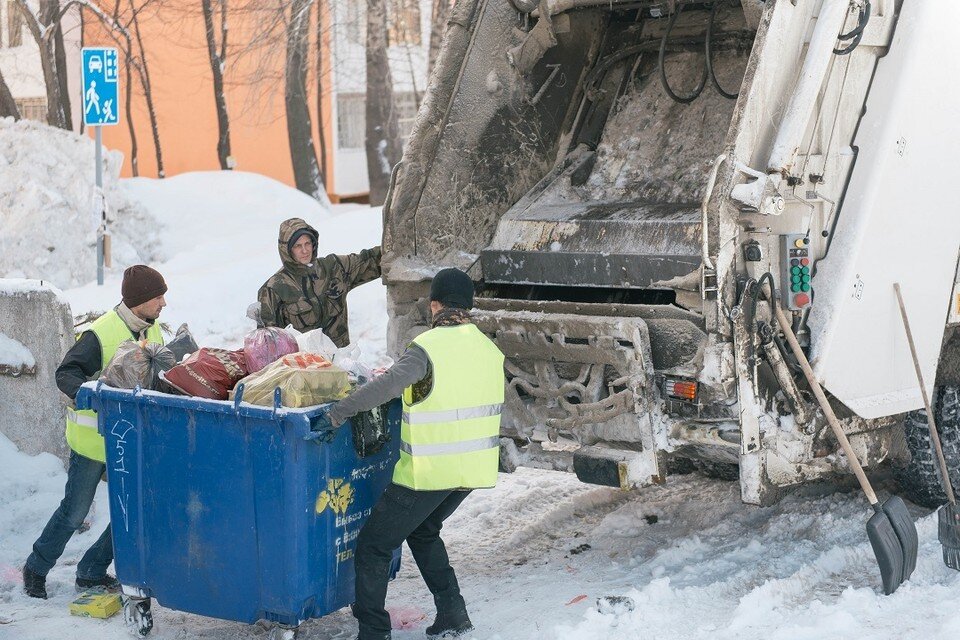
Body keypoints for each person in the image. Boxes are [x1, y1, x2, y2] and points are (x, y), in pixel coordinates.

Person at [327, 268, 505, 640]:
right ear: (469, 306)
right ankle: (453, 615)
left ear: (434, 304)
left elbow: (384, 387)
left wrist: (338, 411)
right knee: (423, 531)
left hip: (429, 473)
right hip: (471, 471)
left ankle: (373, 633)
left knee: (374, 547)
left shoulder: (428, 348)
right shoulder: (490, 350)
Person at [23, 265, 168, 599]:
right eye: (158, 297)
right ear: (139, 300)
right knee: (74, 513)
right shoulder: (100, 333)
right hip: (93, 442)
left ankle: (91, 570)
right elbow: (66, 373)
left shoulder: (154, 330)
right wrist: (89, 391)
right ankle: (36, 567)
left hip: (130, 441)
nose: (163, 303)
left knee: (132, 510)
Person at [257, 218, 382, 348]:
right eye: (298, 246)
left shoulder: (334, 267)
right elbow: (269, 345)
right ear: (287, 250)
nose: (305, 250)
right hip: (305, 365)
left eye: (308, 243)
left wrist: (399, 245)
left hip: (341, 359)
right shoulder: (274, 288)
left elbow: (371, 260)